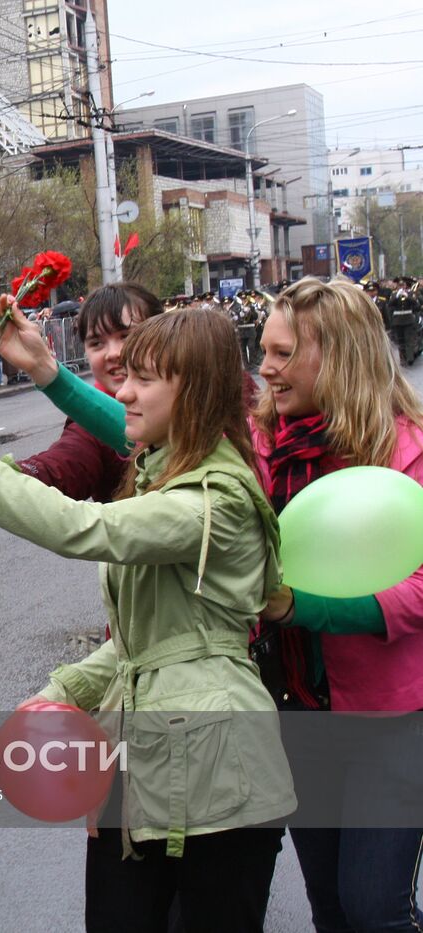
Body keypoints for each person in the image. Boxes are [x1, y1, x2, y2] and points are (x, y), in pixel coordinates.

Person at [0, 308, 295, 932]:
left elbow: (81, 528)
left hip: (221, 774)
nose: (123, 392)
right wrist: (52, 698)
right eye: (124, 375)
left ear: (192, 393)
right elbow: (146, 647)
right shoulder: (167, 475)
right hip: (146, 763)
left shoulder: (213, 501)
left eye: (145, 379)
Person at [250, 277, 423, 931]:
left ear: (340, 355)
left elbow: (421, 587)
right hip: (298, 714)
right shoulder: (263, 443)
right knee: (333, 908)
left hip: (393, 718)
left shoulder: (407, 451)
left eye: (284, 352)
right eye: (264, 349)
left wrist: (307, 607)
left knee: (376, 908)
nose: (265, 367)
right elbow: (144, 428)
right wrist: (49, 375)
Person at [0, 283, 164, 502]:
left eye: (126, 336)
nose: (113, 353)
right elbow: (61, 468)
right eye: (96, 343)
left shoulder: (199, 399)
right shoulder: (88, 424)